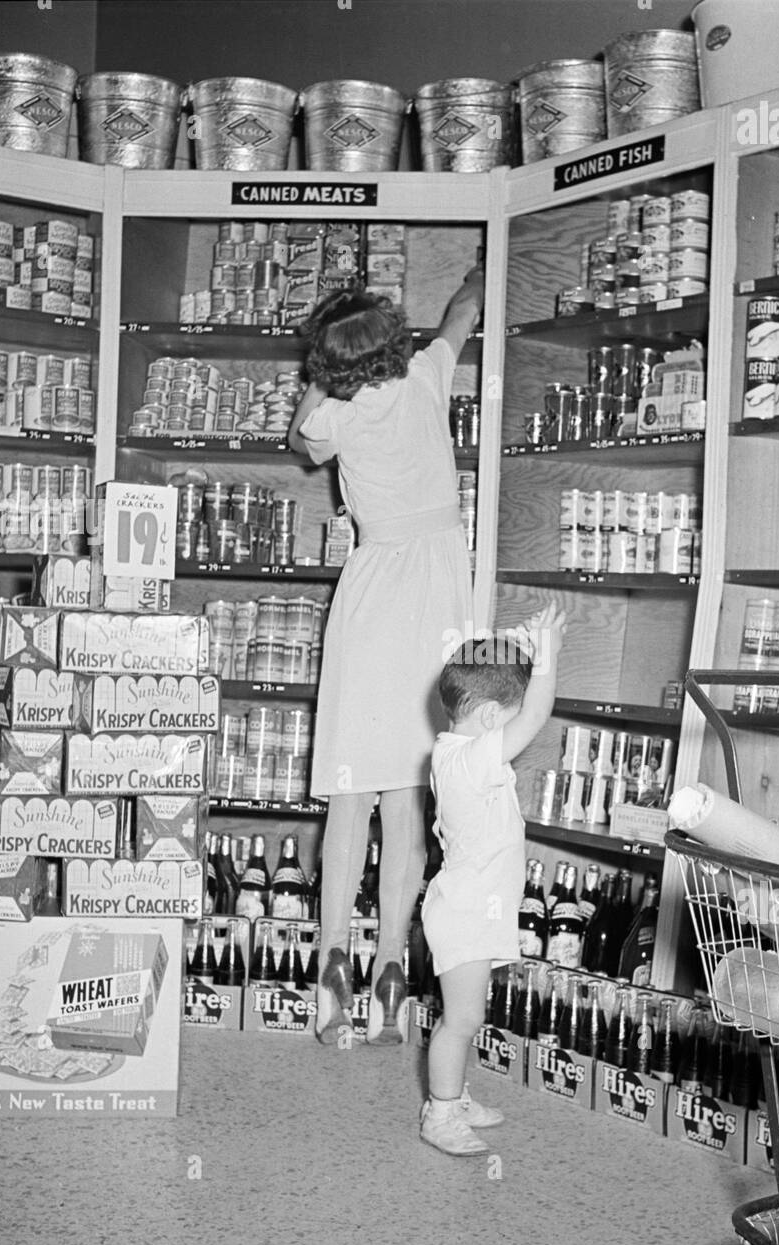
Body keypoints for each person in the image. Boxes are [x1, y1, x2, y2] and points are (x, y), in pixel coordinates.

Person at [287, 264, 484, 1045]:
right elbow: (463, 311)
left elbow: (300, 443)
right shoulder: (429, 375)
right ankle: (392, 965)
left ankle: (330, 965)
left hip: (370, 597)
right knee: (408, 797)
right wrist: (474, 274)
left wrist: (324, 378)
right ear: (396, 344)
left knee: (348, 796)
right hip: (436, 600)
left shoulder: (336, 415)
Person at [420, 602, 566, 1156]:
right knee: (459, 1021)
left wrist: (527, 651)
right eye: (509, 713)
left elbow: (518, 713)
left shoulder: (461, 753)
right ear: (486, 718)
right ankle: (439, 1112)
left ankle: (452, 1096)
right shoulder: (465, 762)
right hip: (462, 914)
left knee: (467, 1015)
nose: (518, 727)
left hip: (470, 909)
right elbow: (535, 717)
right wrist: (548, 658)